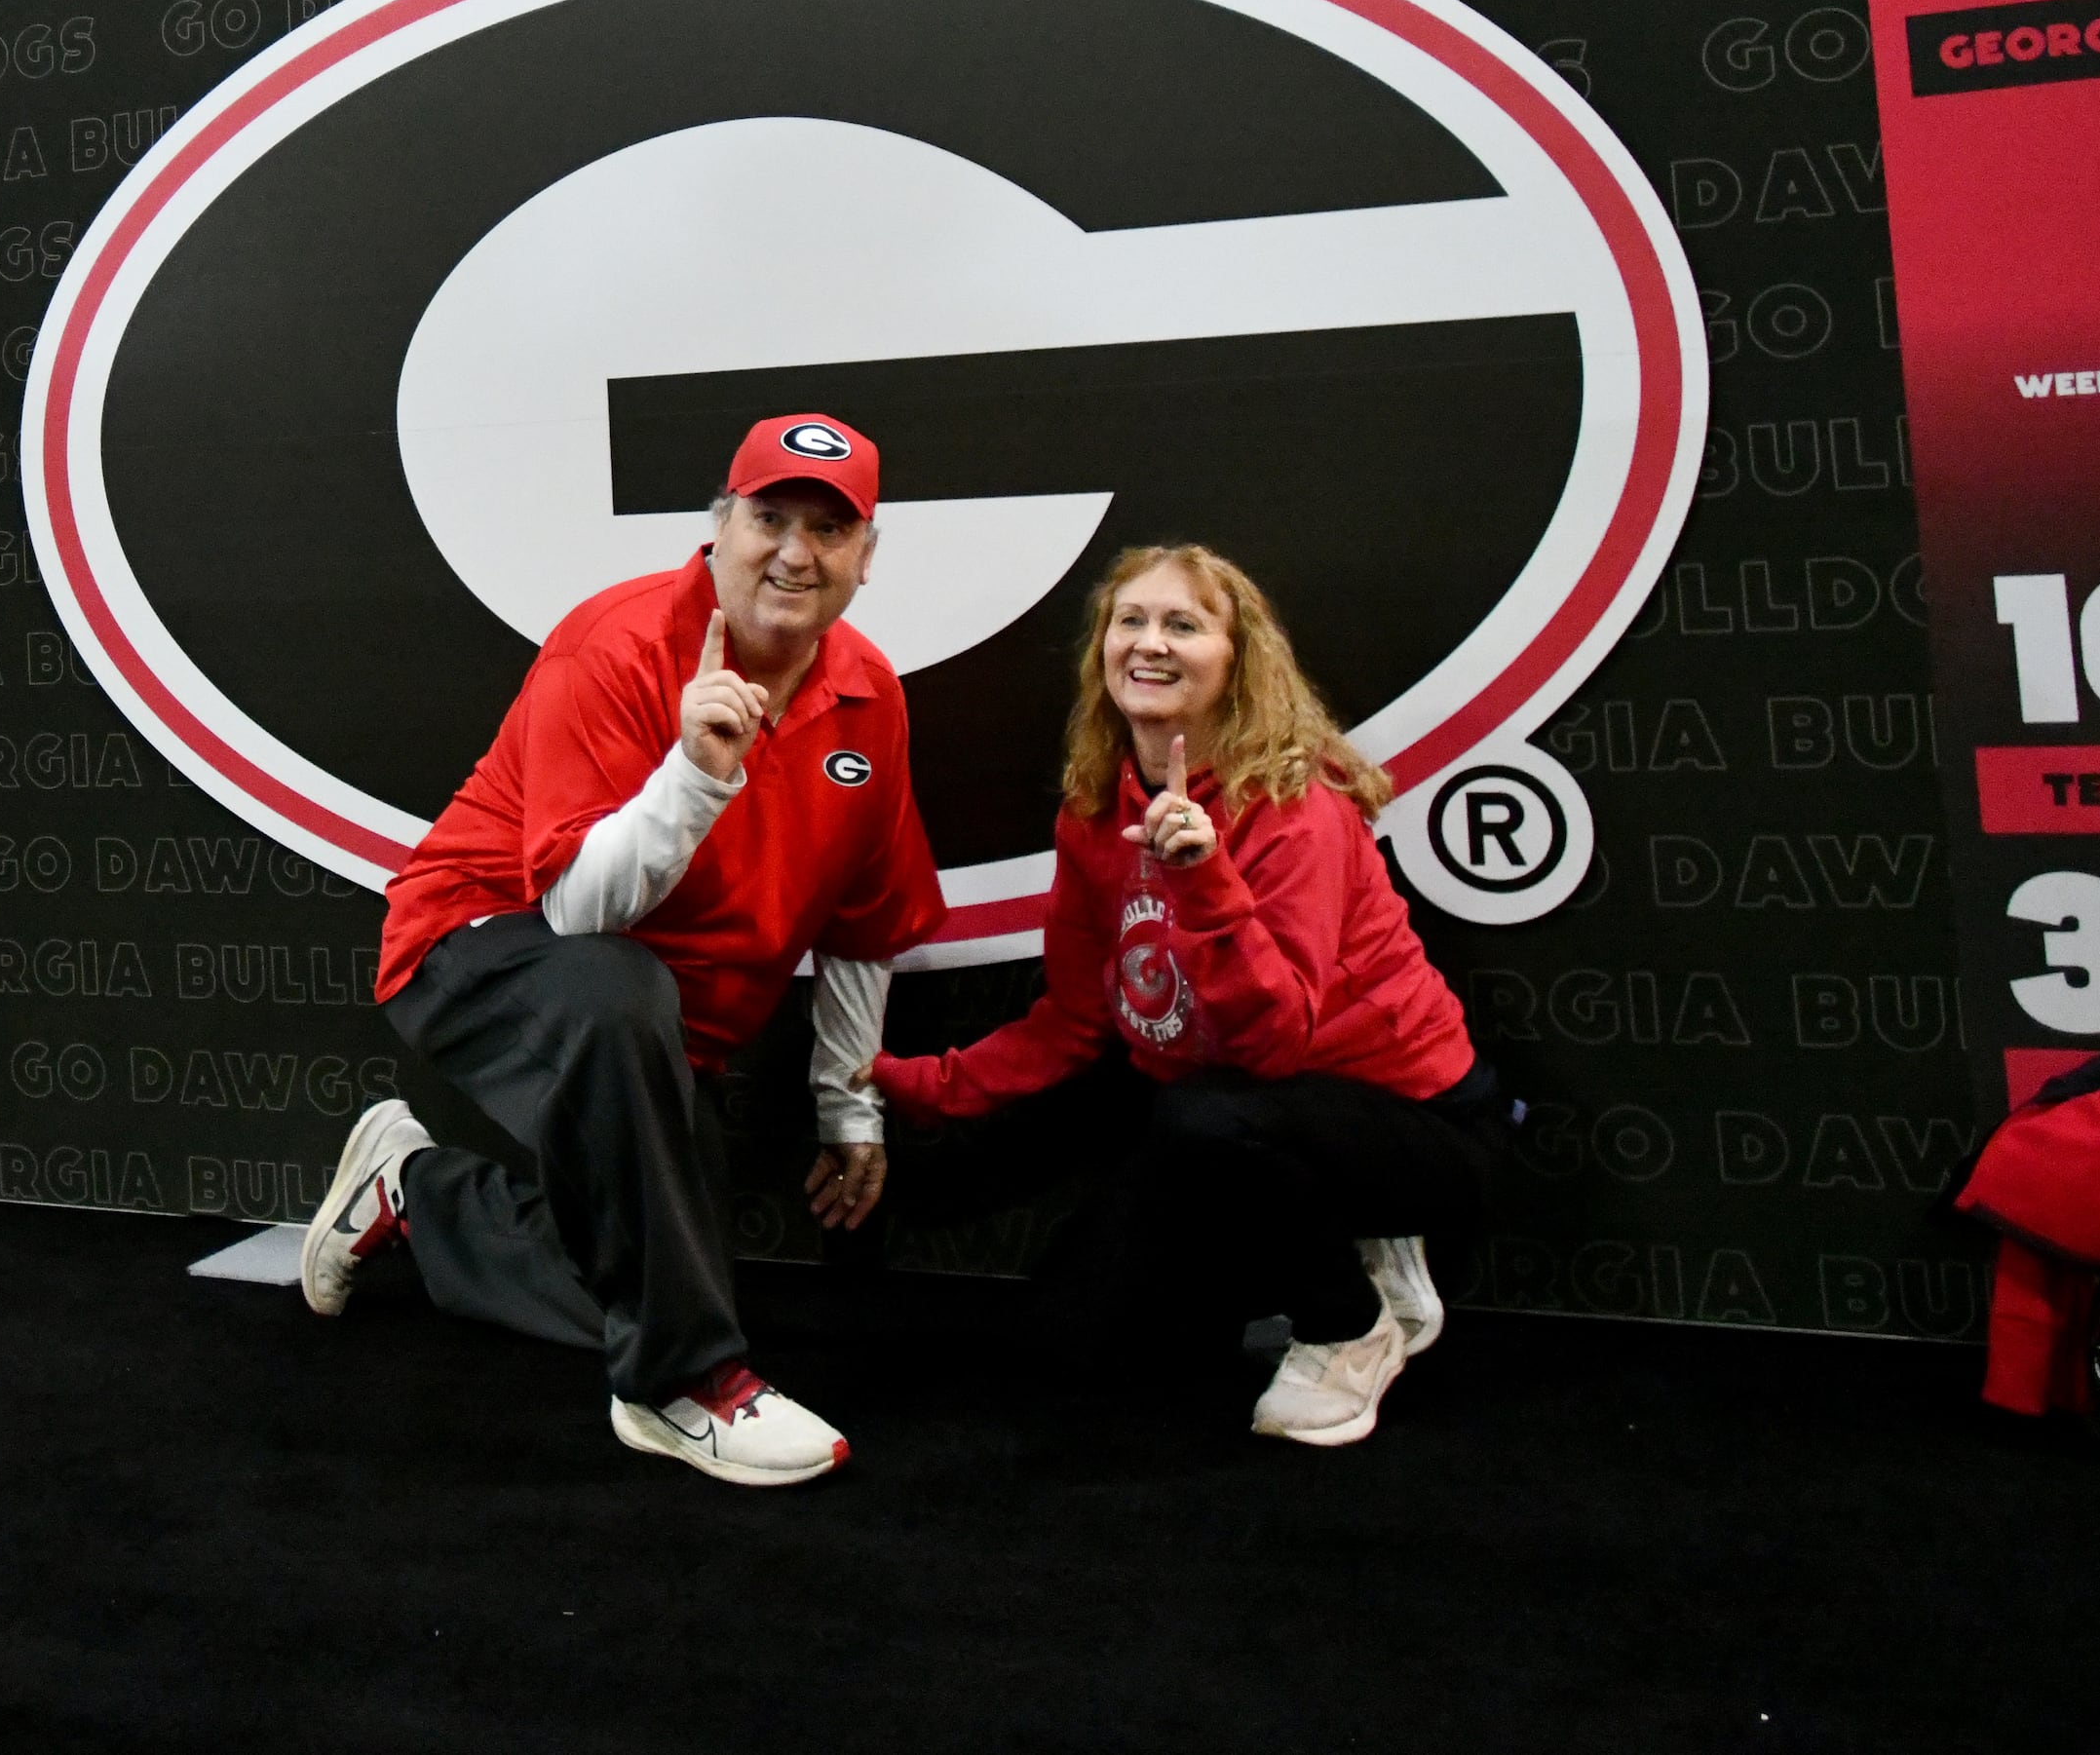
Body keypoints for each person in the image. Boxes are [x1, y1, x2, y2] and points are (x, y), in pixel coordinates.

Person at [295, 414, 946, 1487]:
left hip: (656, 1021)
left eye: (830, 529)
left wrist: (846, 1108)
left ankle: (416, 1193)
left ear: (866, 558)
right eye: (769, 518)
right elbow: (575, 916)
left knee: (653, 1266)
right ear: (718, 527)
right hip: (479, 946)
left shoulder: (870, 694)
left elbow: (864, 925)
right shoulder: (617, 642)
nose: (795, 551)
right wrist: (695, 772)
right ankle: (681, 1387)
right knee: (618, 1009)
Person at [868, 544, 1507, 1448]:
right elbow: (1078, 1018)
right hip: (1225, 1106)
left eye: (1184, 624)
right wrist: (918, 1083)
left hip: (1413, 1127)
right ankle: (1323, 1253)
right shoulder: (1094, 811)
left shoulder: (1296, 806)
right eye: (1130, 621)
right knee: (1079, 1339)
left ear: (1238, 657)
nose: (1150, 643)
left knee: (1203, 1119)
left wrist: (1204, 878)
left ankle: (1349, 1322)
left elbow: (1276, 1045)